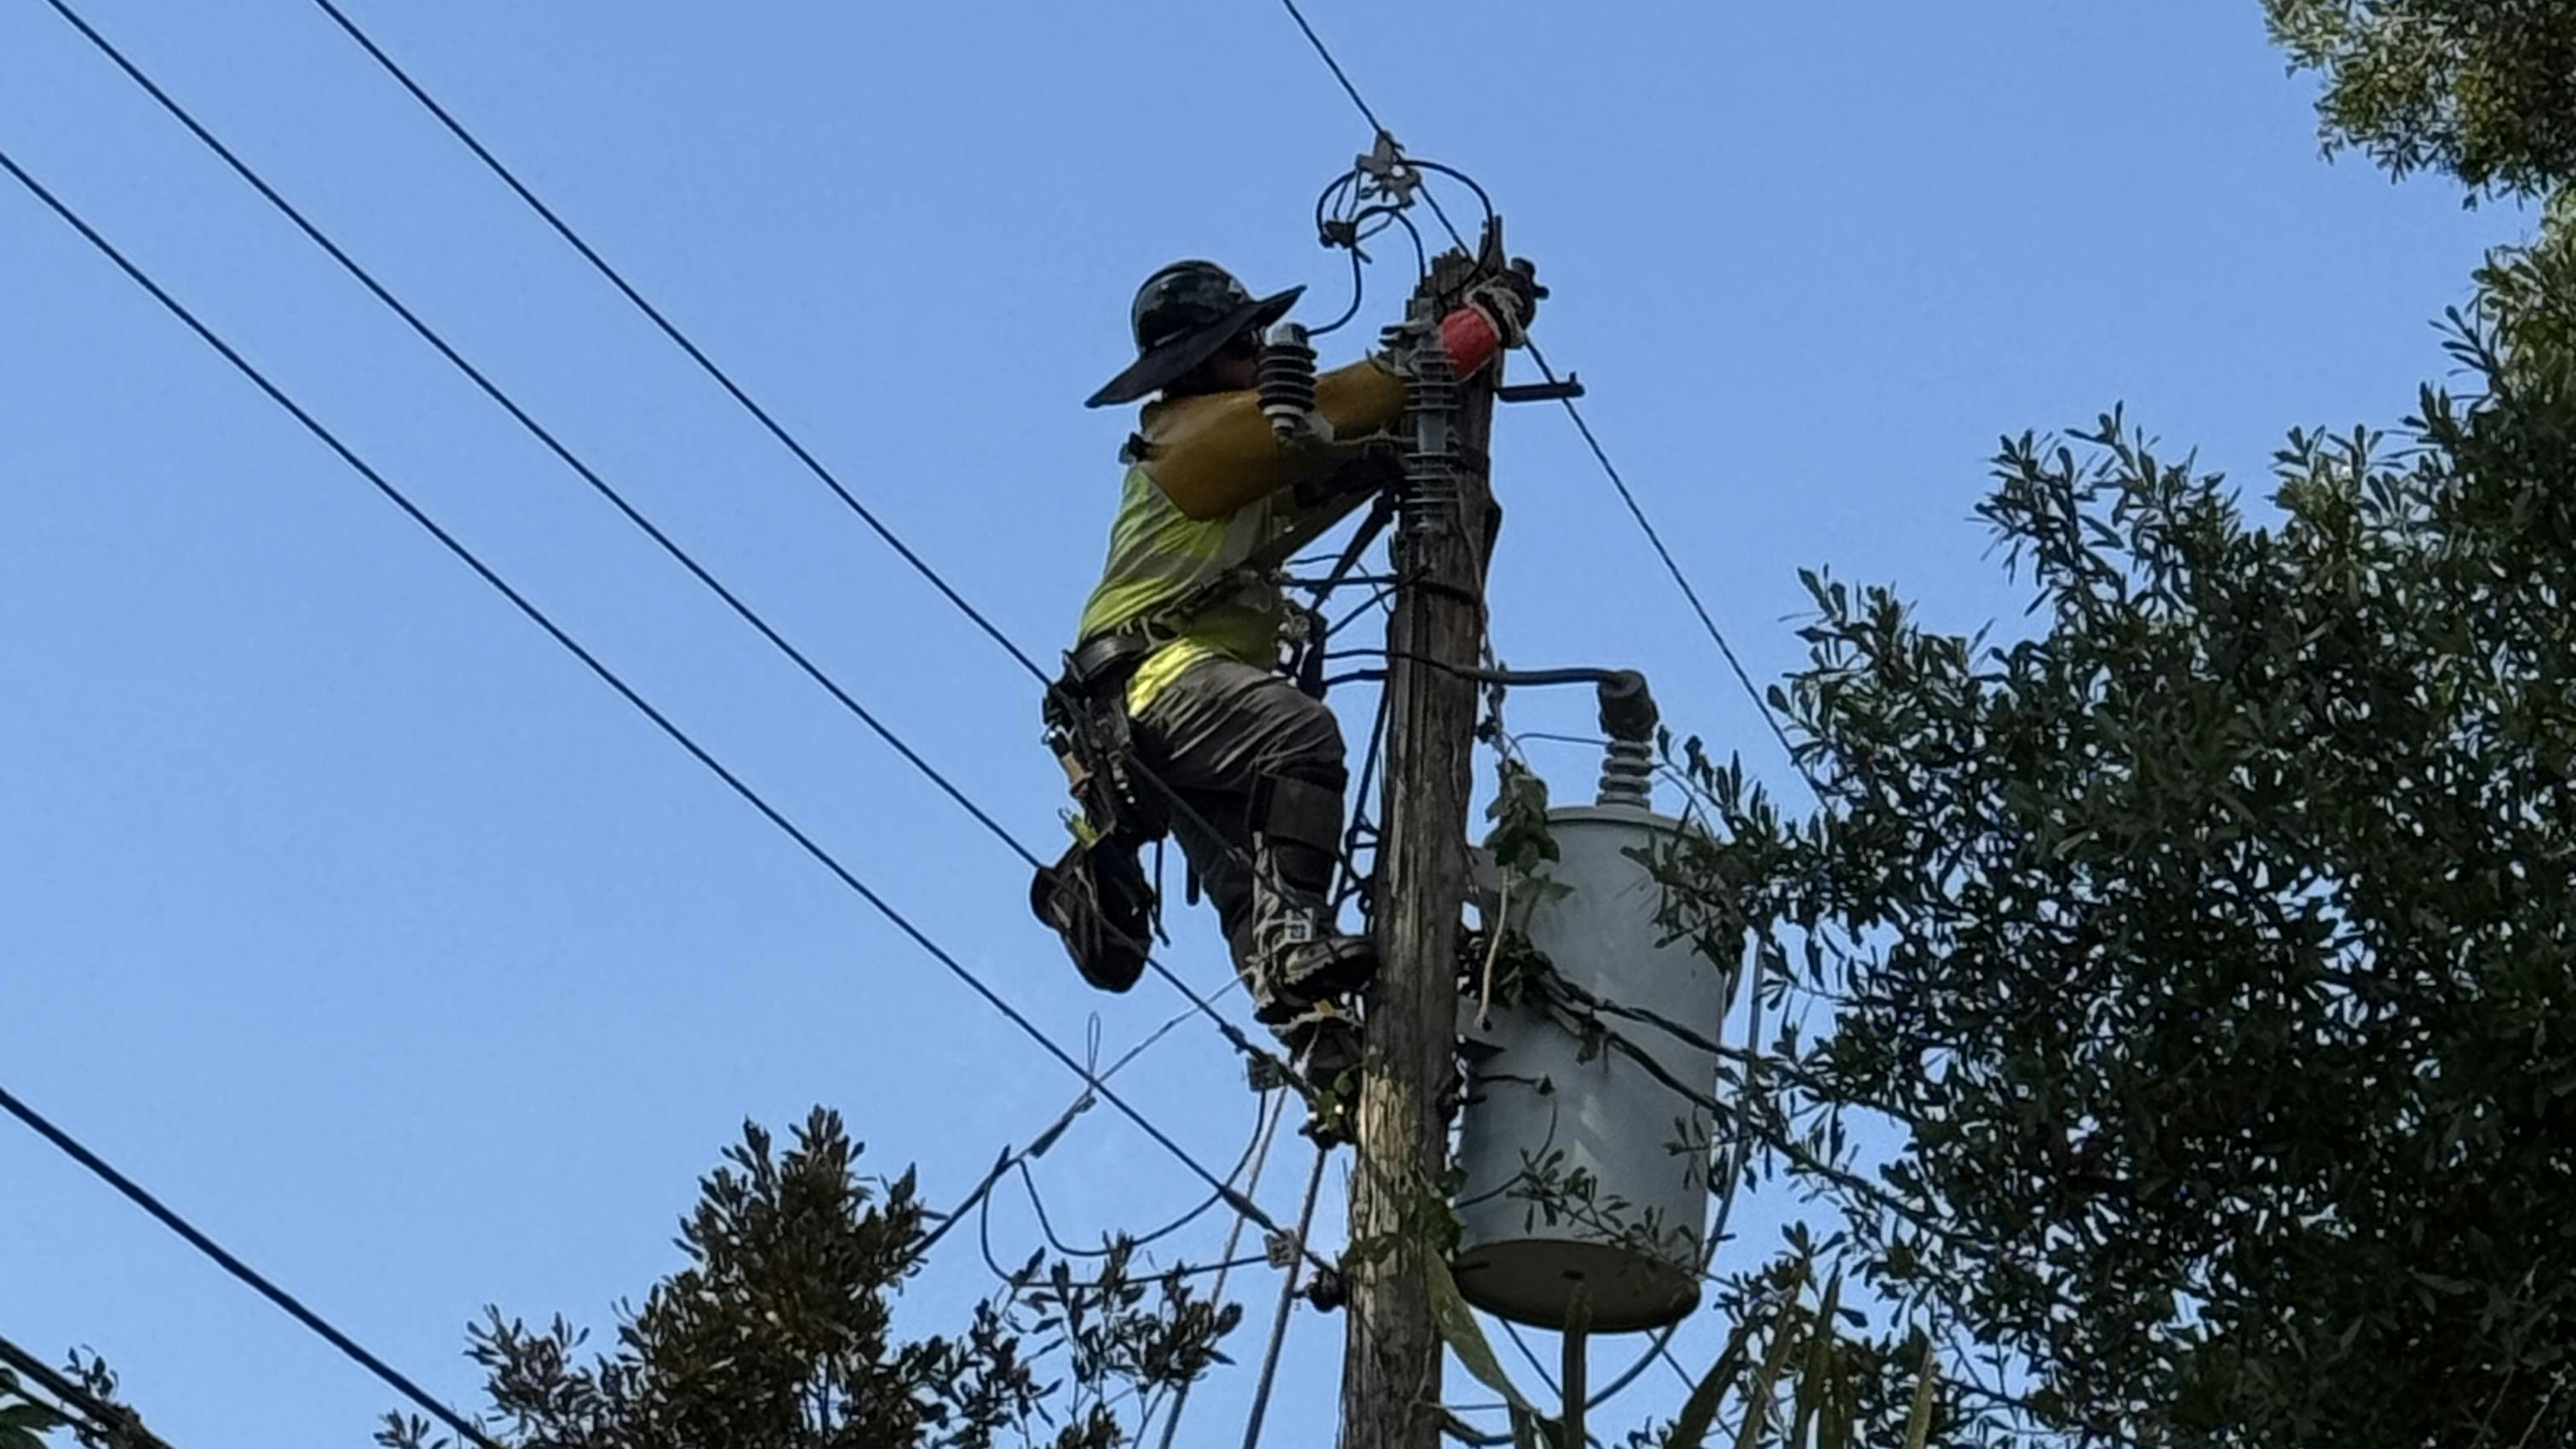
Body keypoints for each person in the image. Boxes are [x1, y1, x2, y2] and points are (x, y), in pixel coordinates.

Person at [1034, 257, 1538, 1084]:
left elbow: (1313, 478)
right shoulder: (1192, 436)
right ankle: (1299, 942)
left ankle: (1319, 1035)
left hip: (1141, 715)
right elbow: (1355, 398)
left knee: (1245, 880)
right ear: (1201, 365)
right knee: (1296, 734)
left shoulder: (1225, 457)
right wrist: (1481, 324)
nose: (1264, 354)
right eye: (1246, 346)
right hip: (1155, 682)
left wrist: (1382, 457)